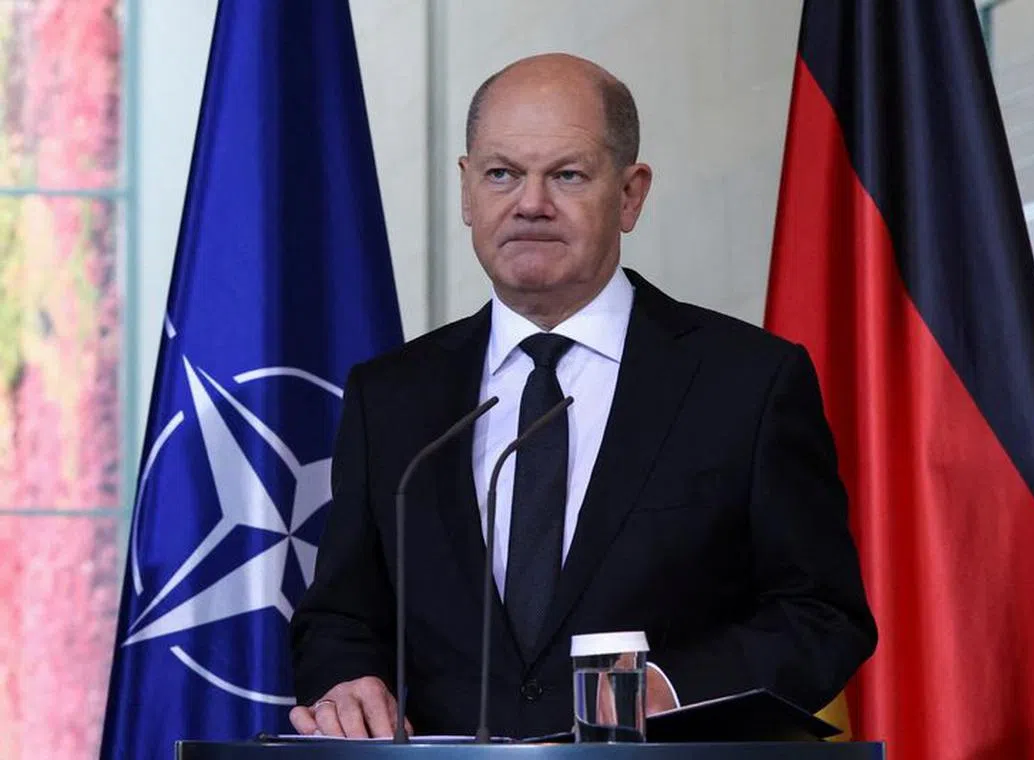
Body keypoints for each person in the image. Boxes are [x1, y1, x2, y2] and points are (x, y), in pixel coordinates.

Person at [289, 52, 876, 740]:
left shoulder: (748, 381)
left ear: (630, 195)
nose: (530, 204)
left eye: (566, 175)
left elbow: (822, 614)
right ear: (467, 192)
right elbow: (340, 616)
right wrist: (347, 681)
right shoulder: (389, 396)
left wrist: (672, 688)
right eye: (502, 174)